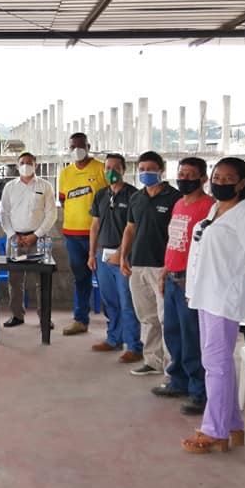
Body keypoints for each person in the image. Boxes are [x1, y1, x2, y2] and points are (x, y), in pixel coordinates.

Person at [182, 157, 245, 453]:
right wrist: (192, 289)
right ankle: (232, 425)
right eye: (217, 178)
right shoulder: (216, 209)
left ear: (242, 183)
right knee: (217, 363)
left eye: (228, 178)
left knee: (216, 365)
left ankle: (215, 431)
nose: (220, 183)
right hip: (206, 296)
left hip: (223, 298)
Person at [154, 157, 213, 415]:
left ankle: (199, 391)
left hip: (191, 281)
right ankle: (178, 381)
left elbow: (207, 247)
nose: (184, 179)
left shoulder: (209, 207)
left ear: (203, 179)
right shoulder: (179, 204)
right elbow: (175, 241)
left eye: (190, 175)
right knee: (173, 333)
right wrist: (165, 270)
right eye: (181, 174)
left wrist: (195, 278)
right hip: (172, 276)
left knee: (192, 337)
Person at [119, 151, 181, 377]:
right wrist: (123, 257)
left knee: (167, 318)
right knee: (147, 317)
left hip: (163, 267)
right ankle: (153, 361)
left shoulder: (174, 198)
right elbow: (130, 229)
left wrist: (170, 265)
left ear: (161, 170)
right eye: (142, 169)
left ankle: (172, 367)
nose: (145, 173)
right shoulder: (136, 197)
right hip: (138, 265)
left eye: (150, 169)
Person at [87, 154, 143, 363]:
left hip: (124, 258)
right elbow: (94, 225)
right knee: (109, 301)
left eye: (116, 168)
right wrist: (92, 254)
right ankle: (113, 339)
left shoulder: (134, 195)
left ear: (123, 170)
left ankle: (134, 346)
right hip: (102, 255)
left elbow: (134, 228)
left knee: (126, 302)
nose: (111, 172)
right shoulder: (101, 194)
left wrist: (121, 254)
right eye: (108, 167)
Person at [0, 152, 56, 327]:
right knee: (15, 281)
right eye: (22, 162)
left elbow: (51, 214)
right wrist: (12, 235)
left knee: (42, 281)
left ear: (36, 165)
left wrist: (35, 235)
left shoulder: (45, 186)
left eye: (29, 162)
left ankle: (44, 317)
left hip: (38, 240)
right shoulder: (9, 187)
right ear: (17, 166)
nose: (26, 165)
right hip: (14, 240)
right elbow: (4, 214)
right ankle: (17, 315)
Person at [57, 133, 106, 336]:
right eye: (73, 147)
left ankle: (114, 325)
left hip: (99, 236)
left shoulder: (101, 168)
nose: (77, 150)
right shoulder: (65, 173)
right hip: (72, 235)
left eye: (81, 146)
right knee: (80, 279)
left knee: (105, 280)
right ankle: (80, 320)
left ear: (88, 146)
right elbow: (63, 201)